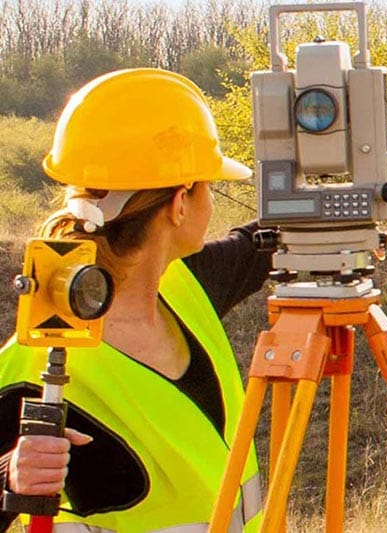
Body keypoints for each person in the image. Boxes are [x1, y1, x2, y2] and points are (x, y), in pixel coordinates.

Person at [0, 68, 272, 531]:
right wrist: (9, 479)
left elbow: (262, 242)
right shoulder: (33, 366)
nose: (212, 202)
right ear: (180, 203)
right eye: (208, 186)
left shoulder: (189, 284)